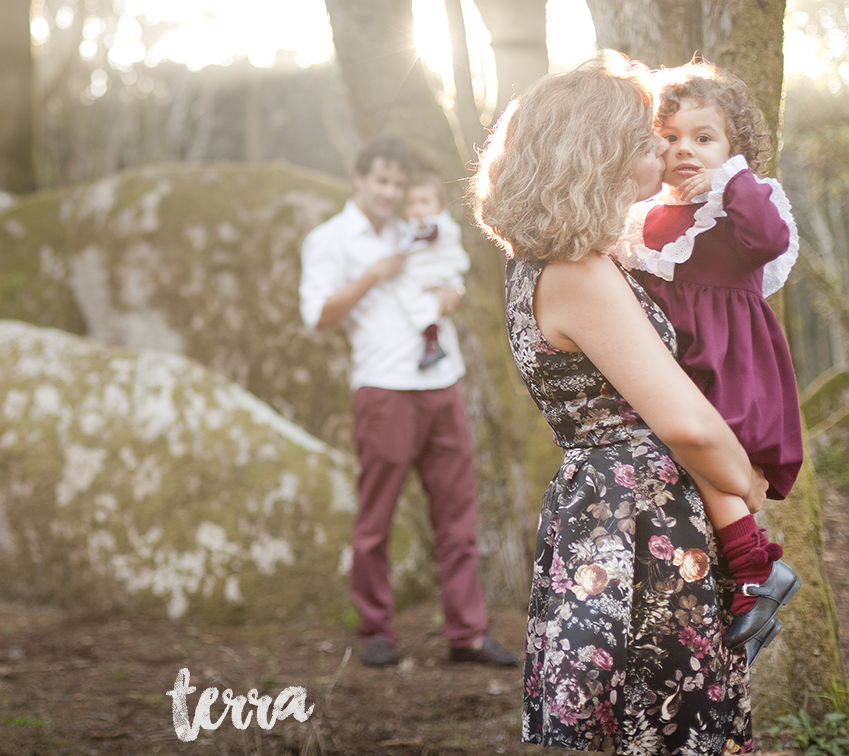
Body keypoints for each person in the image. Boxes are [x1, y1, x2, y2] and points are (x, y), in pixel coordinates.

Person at [472, 53, 768, 755]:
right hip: (638, 522)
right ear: (599, 154)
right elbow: (687, 422)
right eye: (647, 140)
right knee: (659, 721)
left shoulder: (555, 262)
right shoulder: (576, 270)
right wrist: (746, 486)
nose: (664, 152)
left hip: (611, 511)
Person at [299, 135, 517, 668]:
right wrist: (372, 275)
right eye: (382, 181)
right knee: (377, 519)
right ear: (360, 179)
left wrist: (454, 293)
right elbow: (318, 316)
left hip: (442, 382)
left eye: (399, 184)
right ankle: (377, 630)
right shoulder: (329, 240)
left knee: (458, 518)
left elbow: (452, 271)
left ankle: (467, 634)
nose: (391, 192)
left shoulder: (417, 226)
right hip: (384, 388)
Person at [618, 61, 803, 657]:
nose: (684, 151)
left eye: (704, 138)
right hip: (671, 363)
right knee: (684, 466)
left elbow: (767, 242)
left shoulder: (741, 202)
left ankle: (756, 571)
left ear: (733, 148)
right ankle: (743, 583)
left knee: (707, 451)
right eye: (668, 138)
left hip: (730, 360)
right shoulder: (643, 220)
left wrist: (732, 182)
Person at [393, 169, 471, 370]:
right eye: (411, 203)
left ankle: (432, 343)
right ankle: (430, 341)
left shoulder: (440, 224)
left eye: (424, 202)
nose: (417, 209)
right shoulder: (408, 228)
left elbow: (431, 235)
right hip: (423, 279)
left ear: (441, 207)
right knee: (410, 298)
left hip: (438, 275)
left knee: (423, 305)